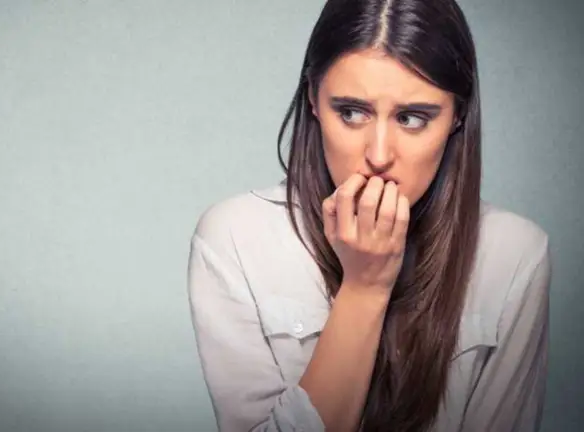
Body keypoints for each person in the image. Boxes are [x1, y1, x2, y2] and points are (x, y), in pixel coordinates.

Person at [185, 0, 551, 431]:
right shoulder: (234, 239)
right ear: (313, 99)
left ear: (458, 115)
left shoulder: (514, 255)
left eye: (412, 118)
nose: (378, 155)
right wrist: (364, 288)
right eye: (351, 112)